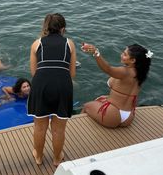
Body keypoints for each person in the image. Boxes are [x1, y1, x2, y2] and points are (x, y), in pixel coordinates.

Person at [27, 13, 77, 166]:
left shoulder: (37, 44)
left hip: (41, 84)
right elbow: (72, 73)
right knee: (58, 129)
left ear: (46, 27)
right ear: (63, 29)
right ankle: (56, 159)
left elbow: (33, 72)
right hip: (62, 85)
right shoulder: (70, 44)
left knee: (40, 127)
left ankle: (38, 156)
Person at [81, 43, 152, 128]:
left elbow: (108, 69)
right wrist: (107, 98)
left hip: (112, 115)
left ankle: (75, 127)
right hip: (128, 117)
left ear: (133, 60)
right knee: (101, 99)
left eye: (125, 54)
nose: (121, 55)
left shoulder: (125, 72)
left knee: (86, 106)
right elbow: (124, 93)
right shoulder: (140, 74)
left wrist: (96, 52)